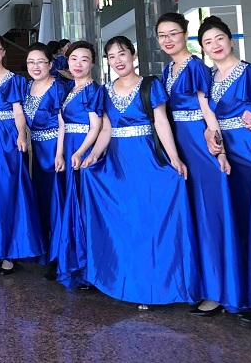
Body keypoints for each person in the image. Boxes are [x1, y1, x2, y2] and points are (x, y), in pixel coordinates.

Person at [80, 36, 198, 308]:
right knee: (127, 224)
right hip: (118, 164)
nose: (117, 60)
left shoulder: (150, 85)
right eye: (111, 56)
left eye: (122, 54)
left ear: (133, 56)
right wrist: (94, 155)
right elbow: (106, 129)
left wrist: (174, 158)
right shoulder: (104, 91)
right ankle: (127, 284)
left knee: (148, 223)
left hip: (146, 160)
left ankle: (154, 288)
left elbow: (161, 123)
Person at [199, 15, 251, 329]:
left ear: (230, 39)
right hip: (227, 156)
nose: (215, 45)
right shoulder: (208, 77)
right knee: (238, 224)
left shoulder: (249, 72)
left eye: (219, 38)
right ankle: (244, 293)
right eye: (208, 42)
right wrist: (218, 148)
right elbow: (211, 121)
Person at [155, 12, 241, 317]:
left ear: (185, 34)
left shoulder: (195, 67)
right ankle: (197, 283)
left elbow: (208, 109)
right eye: (162, 35)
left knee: (208, 217)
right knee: (189, 215)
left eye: (173, 33)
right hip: (179, 143)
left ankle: (218, 291)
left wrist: (218, 148)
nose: (168, 40)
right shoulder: (168, 70)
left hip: (199, 144)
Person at [0, 32, 42, 274]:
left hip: (6, 140)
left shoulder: (14, 80)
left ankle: (10, 251)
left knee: (7, 192)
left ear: (3, 51)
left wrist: (22, 135)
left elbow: (19, 112)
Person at [54, 40, 102, 288]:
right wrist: (59, 154)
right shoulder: (69, 89)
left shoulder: (93, 90)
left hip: (86, 150)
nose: (78, 64)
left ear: (92, 63)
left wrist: (81, 152)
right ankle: (77, 262)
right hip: (70, 148)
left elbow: (96, 127)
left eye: (84, 59)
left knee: (85, 207)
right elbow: (62, 125)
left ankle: (90, 267)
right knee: (72, 205)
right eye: (73, 59)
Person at [23, 42, 69, 272]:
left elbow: (63, 124)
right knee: (43, 200)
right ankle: (49, 251)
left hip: (54, 149)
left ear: (50, 64)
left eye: (41, 61)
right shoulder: (27, 87)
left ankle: (62, 256)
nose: (36, 66)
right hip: (37, 149)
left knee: (57, 199)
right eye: (31, 62)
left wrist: (59, 153)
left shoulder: (59, 87)